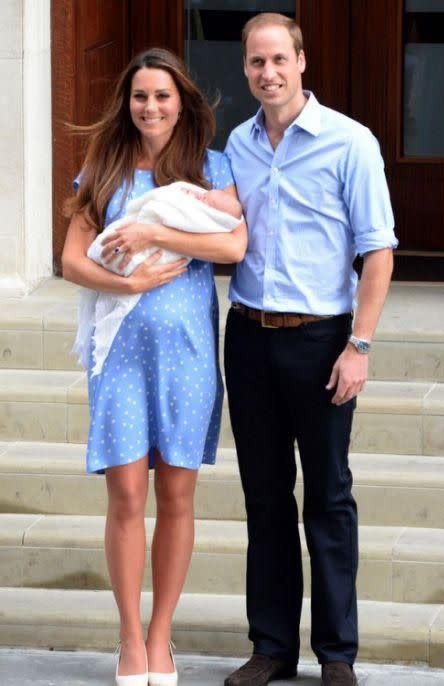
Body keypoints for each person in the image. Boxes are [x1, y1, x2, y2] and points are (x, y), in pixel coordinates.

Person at [61, 48, 248, 686]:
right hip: (118, 356)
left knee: (175, 494)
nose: (151, 107)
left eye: (162, 96)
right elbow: (72, 262)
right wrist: (131, 286)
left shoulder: (210, 167)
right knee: (126, 494)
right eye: (141, 97)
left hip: (188, 355)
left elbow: (233, 243)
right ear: (128, 103)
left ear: (182, 103)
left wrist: (155, 235)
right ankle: (128, 642)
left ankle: (161, 637)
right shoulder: (104, 167)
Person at [221, 13, 396, 686]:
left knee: (327, 496)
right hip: (248, 335)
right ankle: (270, 646)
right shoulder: (234, 144)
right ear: (245, 69)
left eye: (278, 59)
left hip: (323, 339)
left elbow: (377, 253)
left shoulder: (349, 143)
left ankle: (336, 655)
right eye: (256, 62)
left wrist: (359, 346)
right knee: (264, 499)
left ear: (301, 61)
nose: (268, 72)